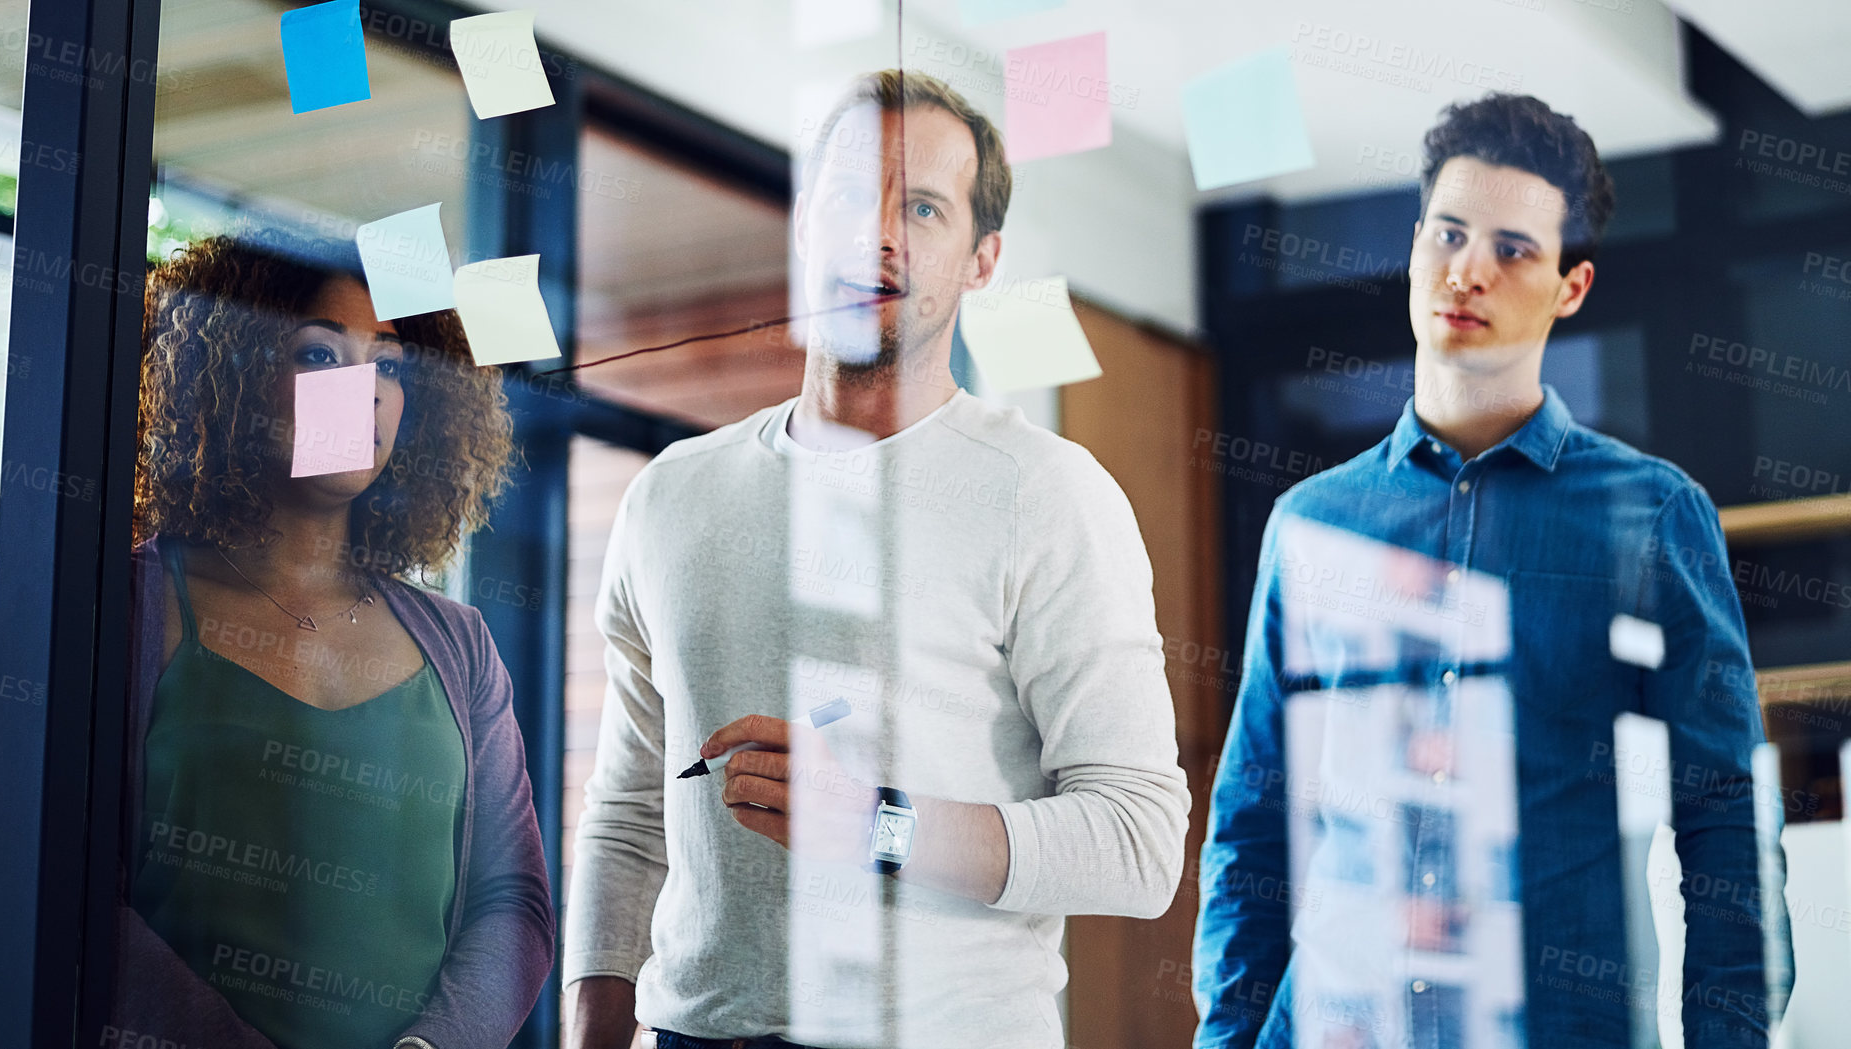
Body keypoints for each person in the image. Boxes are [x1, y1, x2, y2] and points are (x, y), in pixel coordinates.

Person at [563, 69, 1191, 1049]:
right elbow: (630, 812)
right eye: (853, 195)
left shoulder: (1047, 493)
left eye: (925, 208)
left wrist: (873, 826)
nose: (881, 232)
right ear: (807, 220)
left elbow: (1137, 842)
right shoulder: (670, 493)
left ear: (981, 260)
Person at [1194, 94, 1791, 1049]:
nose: (1468, 271)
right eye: (1449, 233)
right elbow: (1253, 826)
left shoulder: (1653, 515)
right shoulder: (1311, 525)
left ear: (1571, 286)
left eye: (1513, 248)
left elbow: (1723, 824)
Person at [116, 233, 554, 1049]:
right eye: (321, 355)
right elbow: (72, 894)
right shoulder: (134, 600)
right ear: (235, 377)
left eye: (389, 365)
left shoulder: (460, 645)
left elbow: (513, 900)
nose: (366, 393)